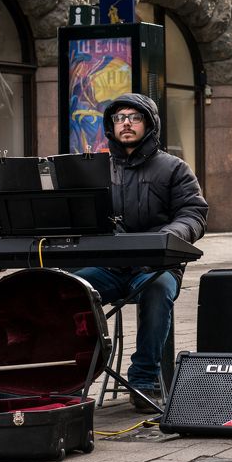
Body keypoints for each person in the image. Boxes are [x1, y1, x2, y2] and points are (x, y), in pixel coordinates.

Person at [74, 93, 208, 413]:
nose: (126, 124)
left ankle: (144, 380)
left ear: (149, 124)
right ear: (111, 126)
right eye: (120, 118)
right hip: (110, 266)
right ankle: (76, 373)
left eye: (134, 118)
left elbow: (194, 214)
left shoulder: (174, 168)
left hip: (156, 264)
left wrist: (164, 239)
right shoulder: (96, 168)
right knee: (72, 290)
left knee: (158, 290)